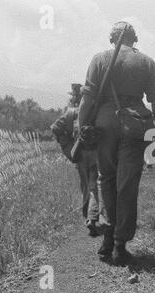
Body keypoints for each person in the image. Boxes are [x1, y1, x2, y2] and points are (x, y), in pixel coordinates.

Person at [78, 21, 155, 266]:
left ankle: (108, 234)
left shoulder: (99, 59)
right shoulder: (146, 62)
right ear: (134, 38)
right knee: (127, 185)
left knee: (105, 179)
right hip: (136, 125)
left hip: (104, 125)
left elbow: (86, 101)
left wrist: (80, 129)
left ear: (112, 38)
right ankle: (119, 244)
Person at [51, 83, 100, 237]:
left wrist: (68, 149)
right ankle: (91, 217)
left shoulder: (71, 113)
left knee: (86, 186)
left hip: (80, 155)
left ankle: (90, 217)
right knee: (93, 186)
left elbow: (55, 129)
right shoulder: (98, 111)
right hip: (96, 154)